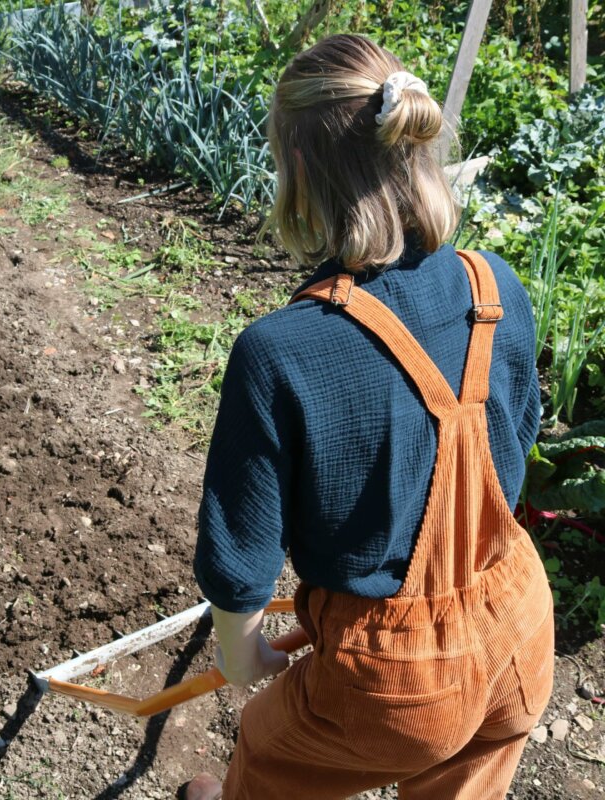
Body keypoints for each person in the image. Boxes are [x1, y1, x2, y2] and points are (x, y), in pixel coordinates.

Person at [186, 34, 554, 800]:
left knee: (266, 749)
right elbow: (513, 443)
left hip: (400, 686)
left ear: (297, 174)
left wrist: (242, 655)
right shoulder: (496, 287)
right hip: (520, 626)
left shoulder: (279, 351)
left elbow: (241, 558)